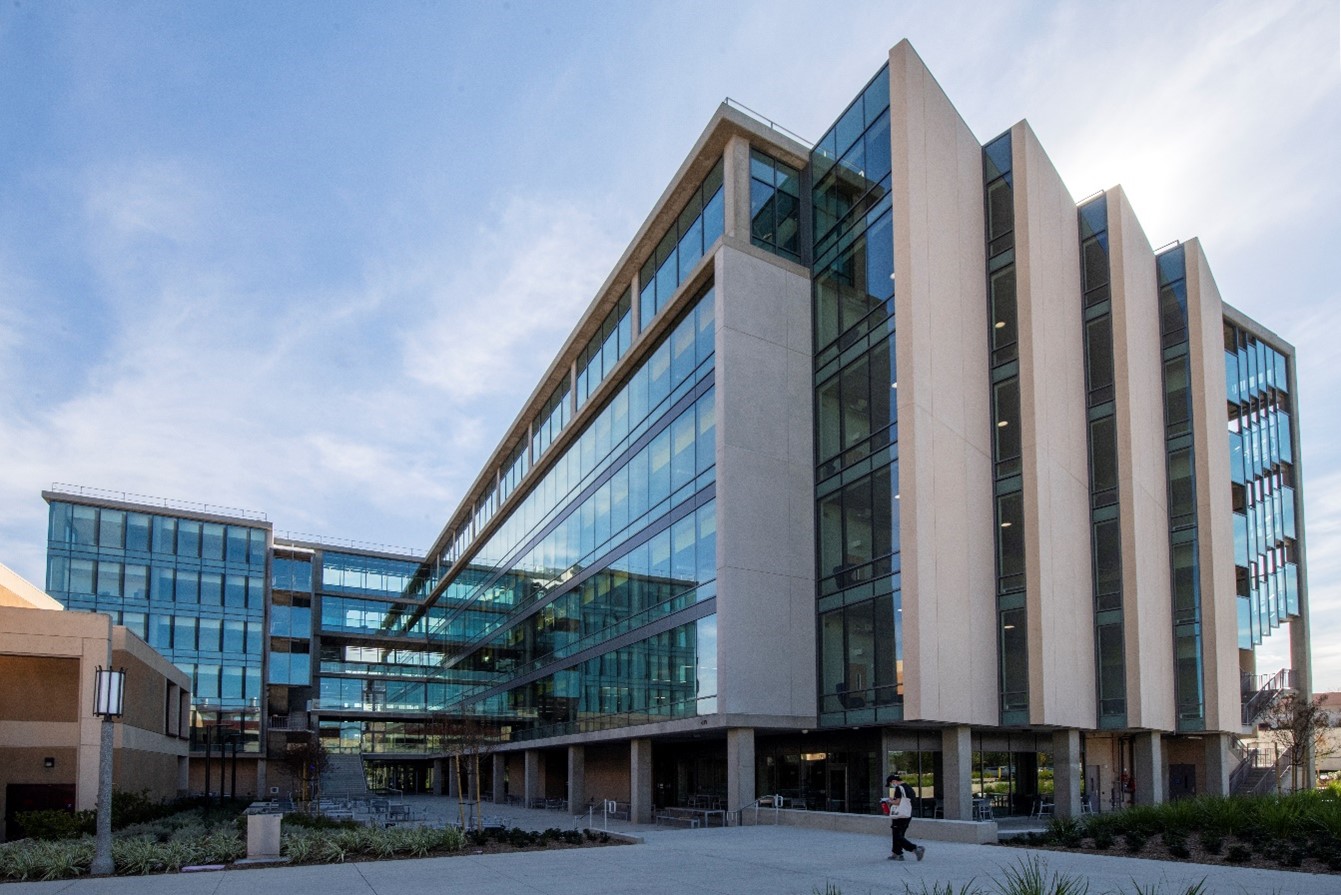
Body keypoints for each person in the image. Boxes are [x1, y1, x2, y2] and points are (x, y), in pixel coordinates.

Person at [885, 773, 925, 861]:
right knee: (900, 834)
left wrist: (889, 801)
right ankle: (897, 853)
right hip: (908, 813)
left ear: (894, 781)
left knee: (897, 835)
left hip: (899, 815)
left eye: (891, 783)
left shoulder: (899, 788)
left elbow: (898, 802)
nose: (892, 785)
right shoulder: (908, 787)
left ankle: (915, 849)